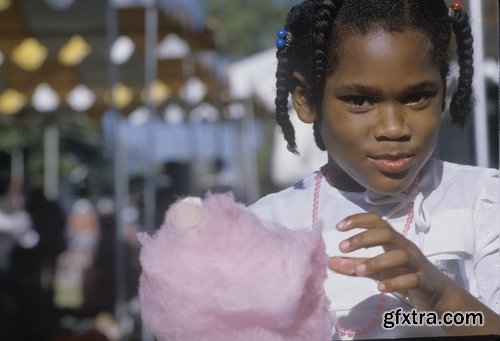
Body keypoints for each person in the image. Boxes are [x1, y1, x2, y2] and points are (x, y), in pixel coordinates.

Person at [249, 0, 500, 339]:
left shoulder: (484, 204)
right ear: (306, 100)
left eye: (418, 97)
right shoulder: (265, 227)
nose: (394, 127)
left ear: (443, 93)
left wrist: (440, 296)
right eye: (359, 101)